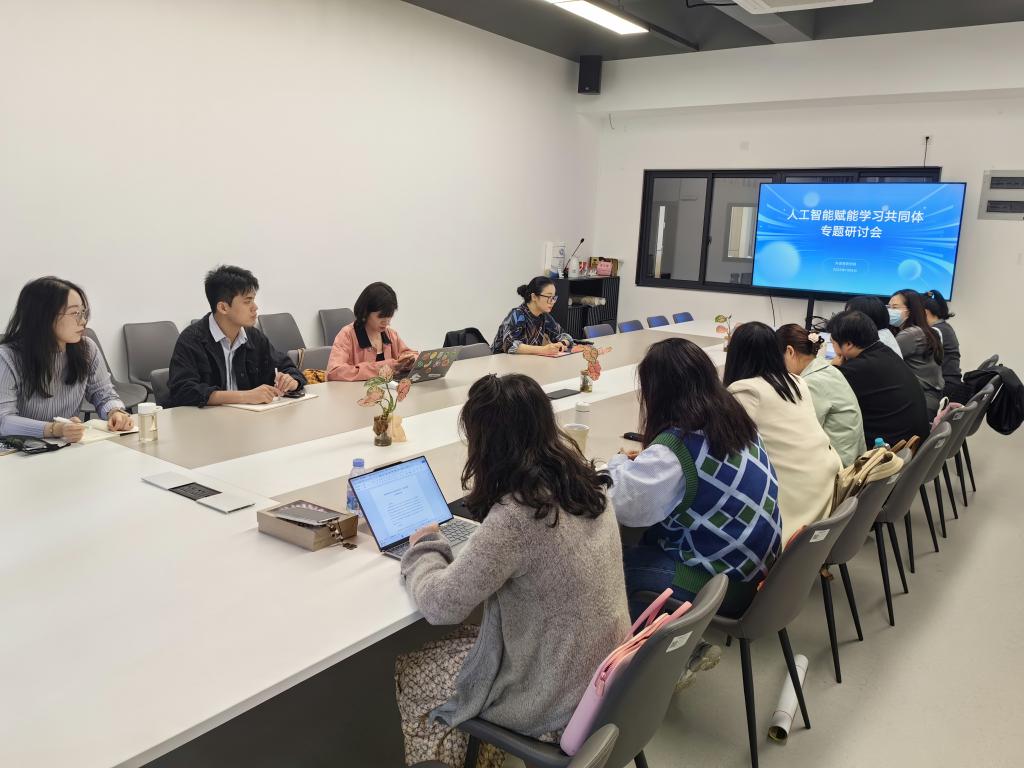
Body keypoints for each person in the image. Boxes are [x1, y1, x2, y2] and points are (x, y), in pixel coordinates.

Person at [395, 373, 629, 767]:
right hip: (602, 679)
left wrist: (425, 548)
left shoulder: (519, 516)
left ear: (485, 444)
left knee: (416, 673)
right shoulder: (588, 485)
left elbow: (441, 606)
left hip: (551, 699)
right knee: (472, 642)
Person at [606, 338, 782, 622]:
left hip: (721, 586)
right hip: (755, 572)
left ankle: (639, 644)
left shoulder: (676, 450)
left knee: (605, 568)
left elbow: (624, 506)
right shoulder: (737, 423)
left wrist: (616, 463)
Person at [723, 322, 842, 541]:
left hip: (794, 505)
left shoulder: (745, 391)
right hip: (825, 487)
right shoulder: (797, 381)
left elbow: (727, 449)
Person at [1, 277, 134, 441]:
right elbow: (4, 420)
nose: (83, 321)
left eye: (83, 313)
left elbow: (104, 394)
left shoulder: (87, 348)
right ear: (44, 316)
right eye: (75, 313)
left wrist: (115, 412)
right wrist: (54, 429)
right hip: (18, 448)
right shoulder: (7, 357)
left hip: (65, 443)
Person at [167, 266, 305, 407]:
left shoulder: (254, 337)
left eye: (253, 300)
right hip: (206, 419)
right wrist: (245, 396)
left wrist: (292, 381)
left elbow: (287, 367)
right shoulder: (192, 340)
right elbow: (182, 391)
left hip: (247, 418)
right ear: (223, 308)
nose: (255, 307)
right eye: (247, 301)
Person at [828, 310, 930, 447]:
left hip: (890, 450)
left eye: (832, 343)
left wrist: (833, 367)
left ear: (848, 344)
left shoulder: (857, 369)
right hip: (914, 443)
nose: (833, 347)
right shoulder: (883, 351)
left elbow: (826, 389)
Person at [776, 324, 866, 467]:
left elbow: (801, 434)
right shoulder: (827, 369)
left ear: (790, 352)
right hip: (851, 456)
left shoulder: (810, 383)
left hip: (839, 466)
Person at [327, 282, 418, 381]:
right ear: (366, 312)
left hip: (388, 390)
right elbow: (334, 372)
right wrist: (384, 367)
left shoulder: (390, 334)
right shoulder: (347, 335)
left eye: (389, 316)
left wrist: (410, 360)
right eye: (381, 316)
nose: (386, 322)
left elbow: (409, 353)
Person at [888, 289, 944, 415]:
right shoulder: (922, 330)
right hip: (928, 397)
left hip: (920, 402)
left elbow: (882, 359)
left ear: (910, 310)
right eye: (889, 307)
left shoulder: (911, 334)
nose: (890, 311)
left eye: (895, 307)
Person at [492, 276, 573, 355]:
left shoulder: (544, 316)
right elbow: (509, 345)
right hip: (499, 360)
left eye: (554, 297)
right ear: (534, 297)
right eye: (548, 297)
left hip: (525, 361)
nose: (552, 302)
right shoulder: (517, 314)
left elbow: (565, 336)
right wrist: (543, 350)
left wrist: (561, 344)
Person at [922, 289, 965, 396]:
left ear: (925, 312)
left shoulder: (936, 331)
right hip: (952, 382)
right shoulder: (944, 327)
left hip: (945, 387)